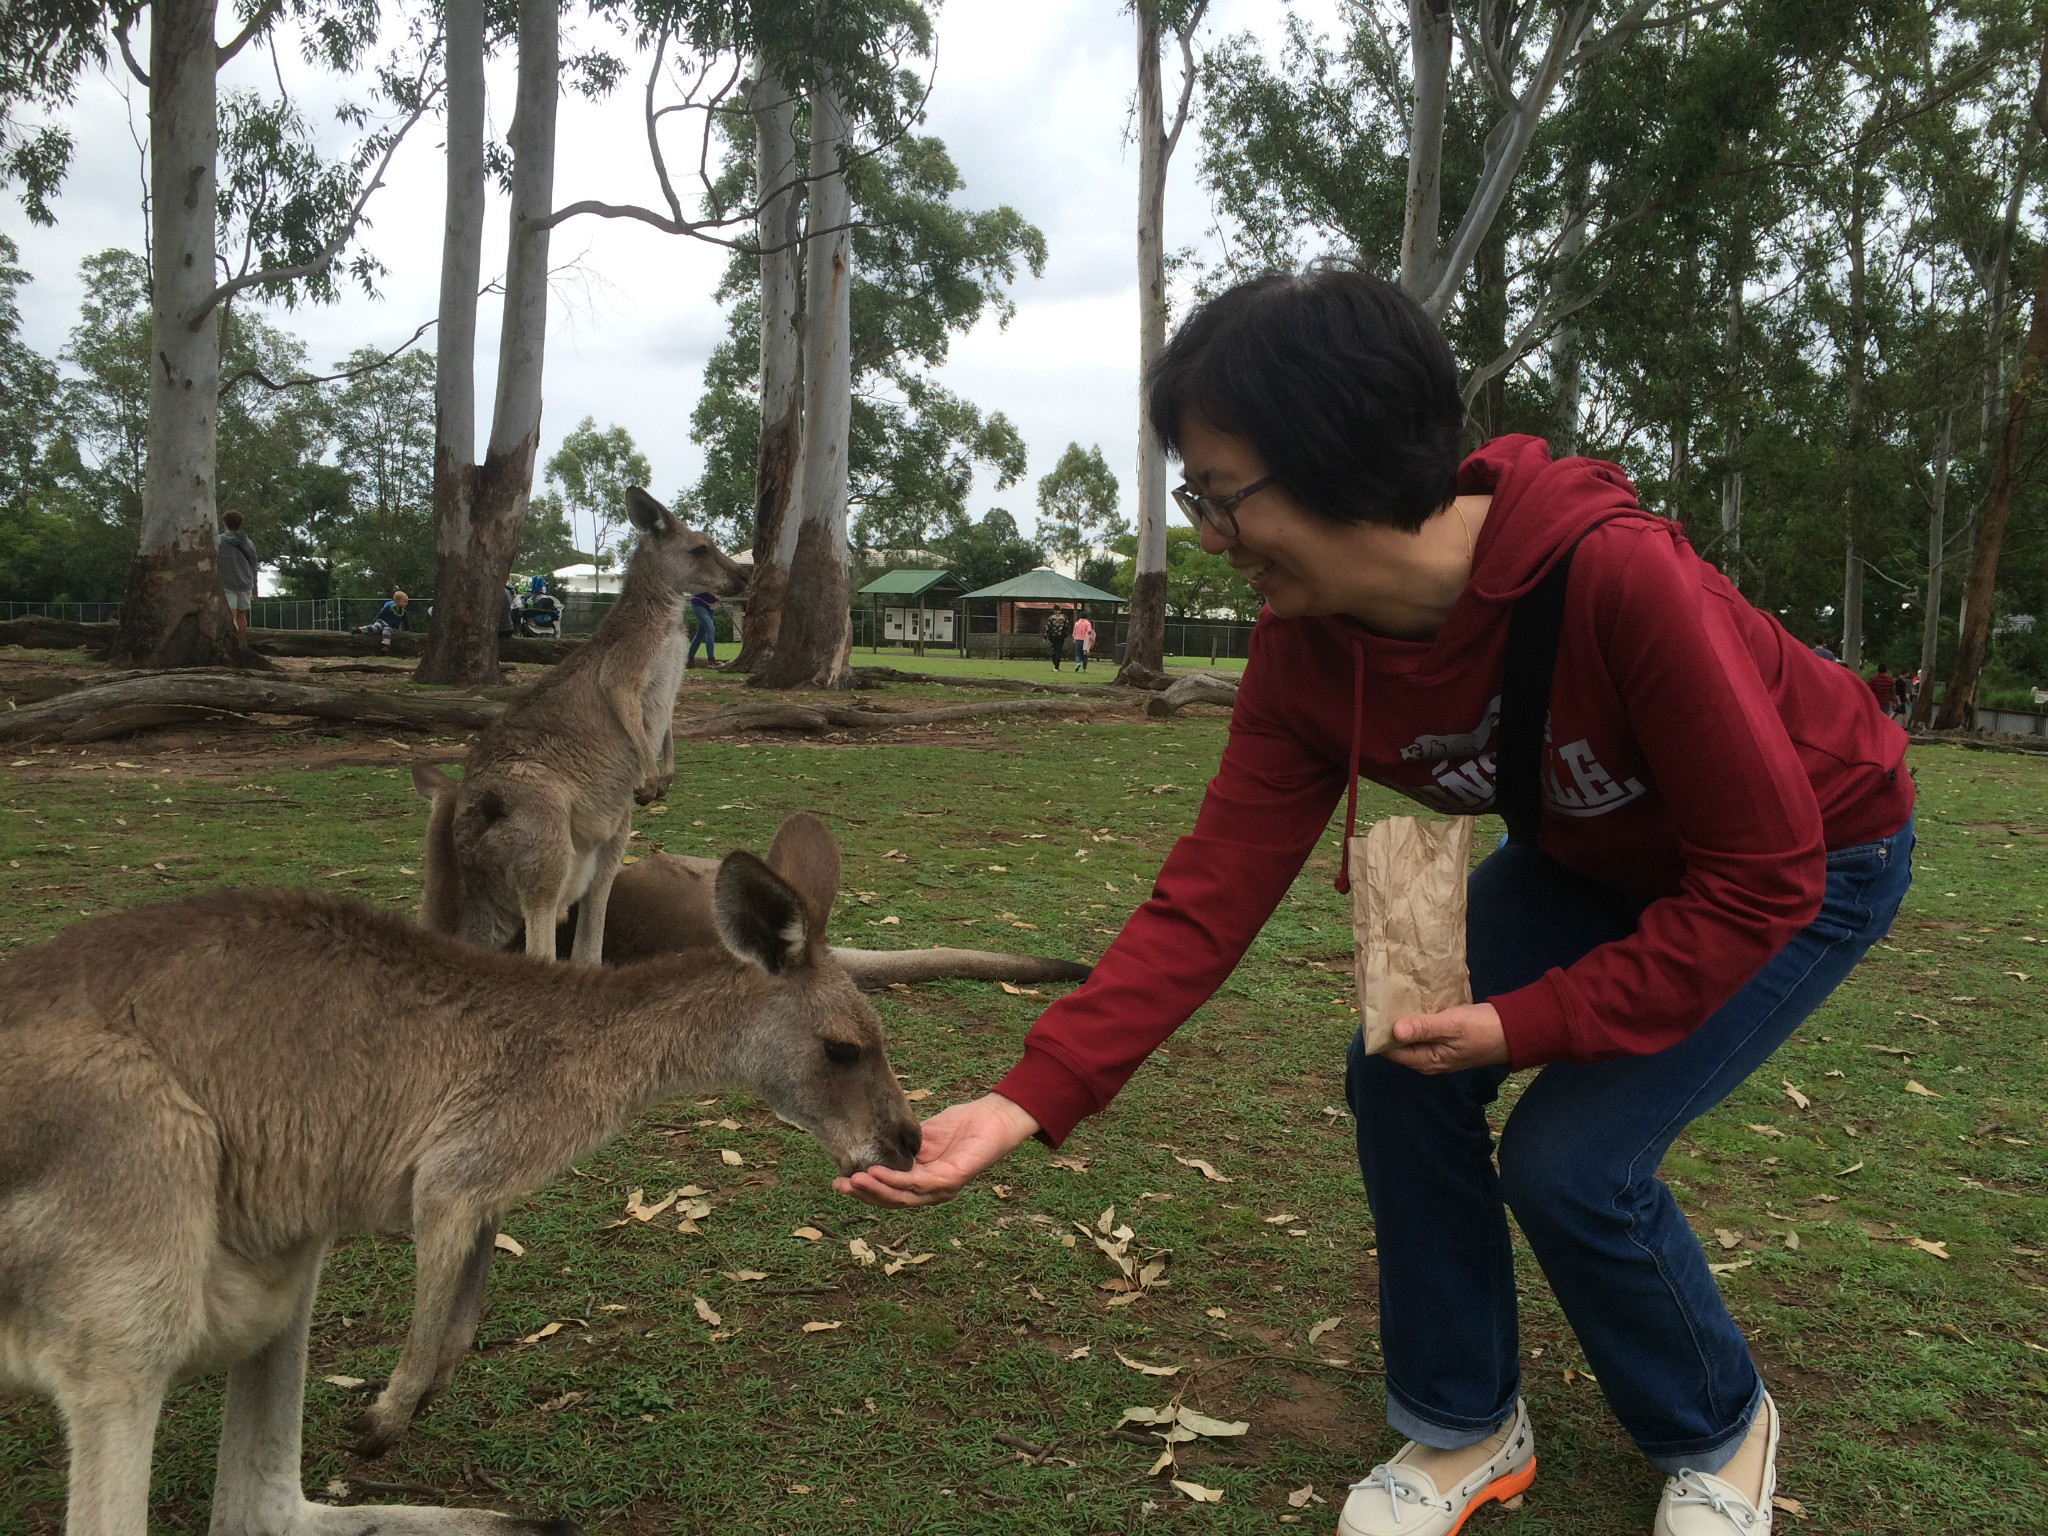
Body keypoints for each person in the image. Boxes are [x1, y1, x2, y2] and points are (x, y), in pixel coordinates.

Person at [835, 267, 1914, 1536]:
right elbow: (1204, 900)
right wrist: (1028, 1098)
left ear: (1339, 460)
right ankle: (1464, 1421)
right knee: (1396, 1067)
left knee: (1572, 1163)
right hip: (1593, 856)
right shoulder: (1306, 654)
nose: (1209, 536)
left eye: (1220, 497)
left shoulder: (1617, 579)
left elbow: (1756, 879)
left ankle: (1718, 1427)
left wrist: (1530, 1025)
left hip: (1807, 864)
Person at [218, 511, 258, 637]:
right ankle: (241, 643)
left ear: (224, 523)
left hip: (227, 583)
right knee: (242, 616)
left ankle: (232, 645)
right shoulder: (248, 543)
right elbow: (253, 565)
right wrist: (255, 588)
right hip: (246, 583)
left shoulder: (219, 541)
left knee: (231, 617)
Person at [687, 590, 718, 665]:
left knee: (700, 634)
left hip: (710, 606)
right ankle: (711, 660)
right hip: (699, 603)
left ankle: (689, 659)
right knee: (710, 629)